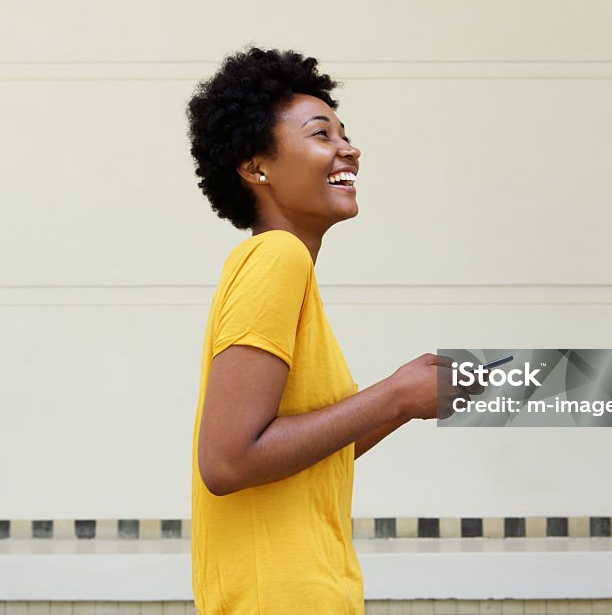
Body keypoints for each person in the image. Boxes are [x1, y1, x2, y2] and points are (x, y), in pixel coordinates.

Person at [186, 46, 464, 614]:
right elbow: (228, 461)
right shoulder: (277, 258)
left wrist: (400, 405)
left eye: (344, 132)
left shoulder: (285, 269)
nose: (348, 148)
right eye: (321, 134)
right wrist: (391, 394)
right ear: (255, 166)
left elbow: (291, 457)